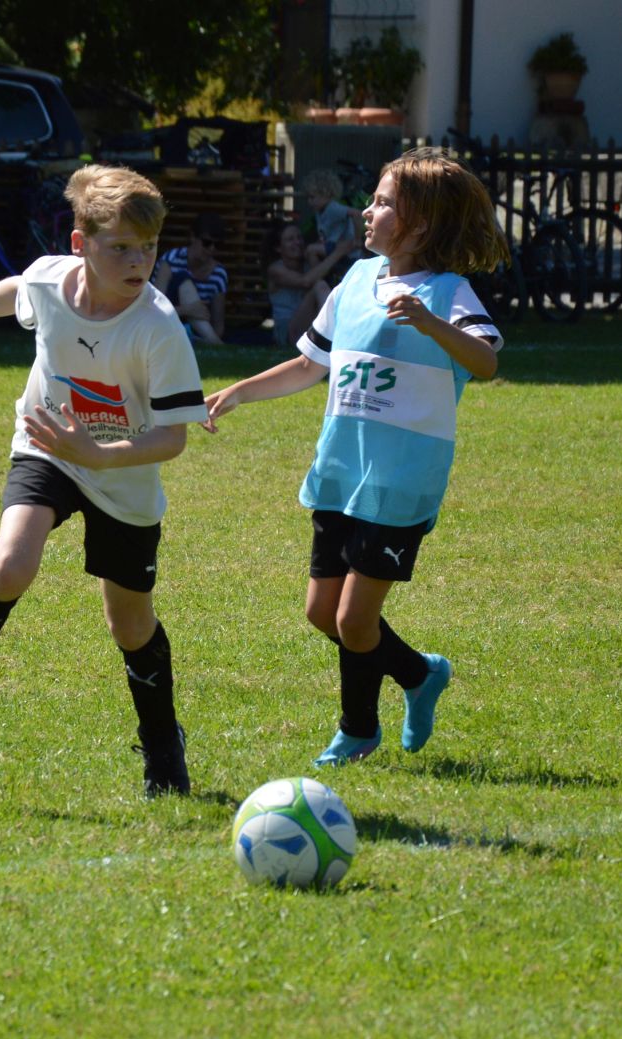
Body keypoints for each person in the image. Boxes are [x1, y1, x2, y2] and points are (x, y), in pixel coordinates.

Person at [0, 164, 209, 796]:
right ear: (79, 244)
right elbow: (21, 288)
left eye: (149, 247)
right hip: (47, 449)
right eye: (121, 247)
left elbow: (173, 438)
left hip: (122, 474)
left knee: (130, 625)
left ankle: (161, 743)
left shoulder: (158, 326)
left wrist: (100, 454)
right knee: (10, 565)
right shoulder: (49, 280)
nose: (138, 262)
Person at [201, 146, 508, 767]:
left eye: (383, 202)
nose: (367, 211)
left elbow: (486, 361)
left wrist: (431, 323)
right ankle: (420, 674)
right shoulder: (355, 280)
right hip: (341, 473)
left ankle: (358, 729)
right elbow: (309, 364)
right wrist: (239, 392)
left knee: (353, 619)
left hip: (399, 483)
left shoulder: (448, 291)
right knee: (323, 612)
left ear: (420, 223)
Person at [267, 216, 357, 348]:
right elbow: (306, 282)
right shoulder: (275, 269)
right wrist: (338, 252)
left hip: (310, 326)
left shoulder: (307, 265)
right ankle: (337, 338)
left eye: (299, 238)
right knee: (319, 286)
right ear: (278, 248)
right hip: (288, 331)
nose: (297, 242)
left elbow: (320, 278)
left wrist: (312, 254)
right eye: (290, 240)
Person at [154, 212, 229, 344]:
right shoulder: (171, 260)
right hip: (165, 324)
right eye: (207, 243)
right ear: (193, 237)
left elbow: (218, 323)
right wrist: (188, 310)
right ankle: (214, 342)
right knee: (181, 278)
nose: (211, 249)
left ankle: (209, 341)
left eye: (217, 245)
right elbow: (155, 310)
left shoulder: (219, 274)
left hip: (196, 330)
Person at [300, 169, 357, 268]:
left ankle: (319, 275)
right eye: (307, 198)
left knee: (311, 250)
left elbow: (356, 214)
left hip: (344, 247)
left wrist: (357, 239)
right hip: (332, 245)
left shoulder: (333, 208)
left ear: (326, 194)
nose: (309, 202)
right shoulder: (319, 211)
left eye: (312, 197)